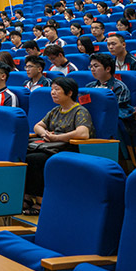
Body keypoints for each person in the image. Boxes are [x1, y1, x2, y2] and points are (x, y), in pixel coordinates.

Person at [25, 77, 93, 209]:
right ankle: (26, 197)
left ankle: (40, 201)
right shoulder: (56, 110)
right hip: (52, 146)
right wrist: (45, 134)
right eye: (52, 89)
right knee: (24, 154)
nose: (53, 92)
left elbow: (83, 133)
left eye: (57, 89)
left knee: (34, 159)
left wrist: (57, 138)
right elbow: (37, 126)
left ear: (69, 93)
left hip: (69, 148)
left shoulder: (80, 111)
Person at [88, 53, 134, 120]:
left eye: (96, 66)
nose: (92, 69)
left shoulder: (119, 87)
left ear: (108, 69)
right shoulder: (89, 87)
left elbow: (116, 110)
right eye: (91, 66)